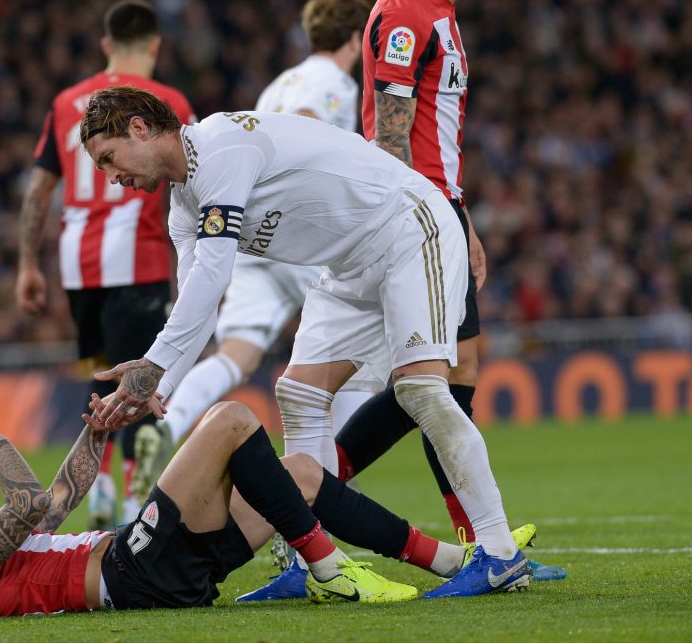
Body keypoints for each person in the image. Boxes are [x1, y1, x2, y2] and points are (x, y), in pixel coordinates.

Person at [81, 85, 530, 598]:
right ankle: (313, 564)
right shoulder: (184, 206)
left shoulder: (221, 148)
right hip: (347, 265)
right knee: (299, 393)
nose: (112, 177)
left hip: (408, 227)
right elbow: (198, 301)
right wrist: (158, 385)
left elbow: (213, 276)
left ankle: (498, 553)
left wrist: (152, 368)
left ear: (139, 127)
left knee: (421, 391)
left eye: (108, 159)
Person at [0, 390, 538, 614]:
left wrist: (93, 432)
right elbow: (15, 512)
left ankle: (455, 563)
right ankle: (327, 568)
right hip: (130, 574)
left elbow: (45, 509)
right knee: (230, 419)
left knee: (299, 475)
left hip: (148, 566)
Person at [342, 0, 566, 582]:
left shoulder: (443, 13)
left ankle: (478, 545)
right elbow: (390, 139)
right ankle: (307, 496)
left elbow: (430, 138)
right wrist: (417, 220)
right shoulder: (407, 10)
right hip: (410, 218)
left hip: (441, 210)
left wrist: (461, 219)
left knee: (455, 372)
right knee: (424, 381)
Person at [131, 0, 376, 505]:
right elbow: (310, 125)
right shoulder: (333, 81)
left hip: (246, 236)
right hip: (304, 233)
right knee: (356, 360)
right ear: (356, 39)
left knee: (236, 355)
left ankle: (167, 419)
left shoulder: (277, 83)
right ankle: (330, 493)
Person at [15, 0, 196, 529]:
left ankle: (103, 489)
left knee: (98, 380)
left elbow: (38, 191)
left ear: (105, 44)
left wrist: (28, 263)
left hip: (77, 265)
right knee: (139, 380)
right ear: (156, 44)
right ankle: (136, 499)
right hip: (136, 259)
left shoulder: (67, 100)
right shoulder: (168, 101)